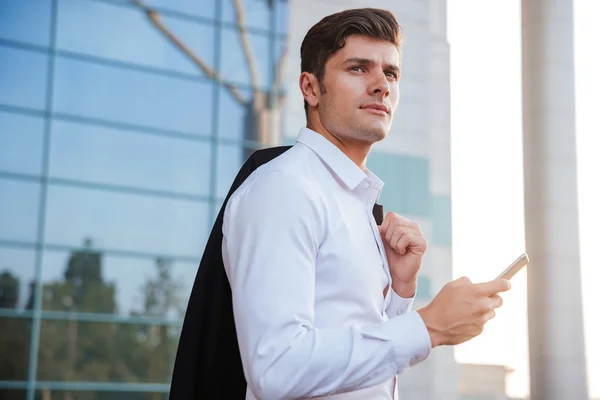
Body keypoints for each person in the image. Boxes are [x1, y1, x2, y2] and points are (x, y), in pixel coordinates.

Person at [169, 7, 511, 400]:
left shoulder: (355, 203)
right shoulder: (286, 188)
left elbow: (357, 362)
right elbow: (276, 368)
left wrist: (400, 290)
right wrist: (428, 327)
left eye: (391, 73)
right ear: (311, 88)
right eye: (358, 68)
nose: (381, 85)